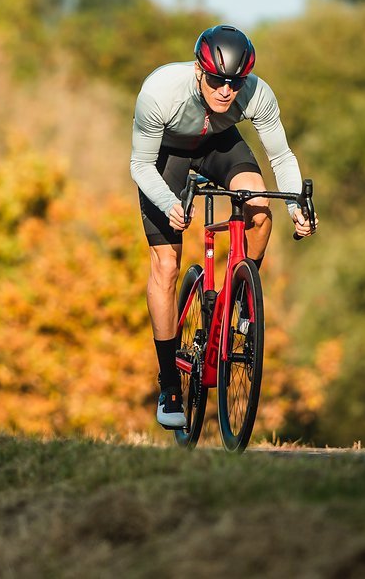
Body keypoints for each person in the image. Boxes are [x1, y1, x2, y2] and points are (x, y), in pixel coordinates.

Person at [130, 24, 315, 430]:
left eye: (235, 82)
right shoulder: (161, 92)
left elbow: (280, 156)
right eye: (216, 81)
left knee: (260, 205)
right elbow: (140, 165)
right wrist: (168, 204)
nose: (226, 91)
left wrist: (298, 209)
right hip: (167, 155)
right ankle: (168, 385)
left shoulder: (257, 94)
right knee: (165, 265)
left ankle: (241, 299)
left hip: (218, 144)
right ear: (199, 70)